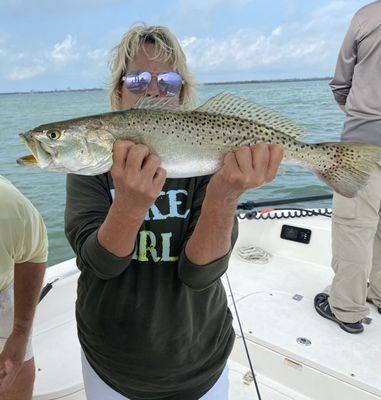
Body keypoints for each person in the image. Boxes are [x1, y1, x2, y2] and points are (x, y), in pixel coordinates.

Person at [65, 24, 283, 399]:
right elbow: (100, 266)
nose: (152, 89)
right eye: (136, 79)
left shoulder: (211, 162)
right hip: (110, 361)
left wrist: (225, 193)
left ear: (182, 93)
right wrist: (130, 207)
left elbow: (200, 274)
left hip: (199, 359)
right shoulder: (92, 164)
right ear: (118, 94)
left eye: (167, 80)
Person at [314, 1, 381, 334]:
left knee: (355, 225)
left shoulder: (366, 16)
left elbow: (341, 84)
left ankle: (346, 309)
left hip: (365, 140)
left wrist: (362, 115)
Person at [0, 175, 48, 399]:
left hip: (2, 289)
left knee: (15, 368)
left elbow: (33, 254)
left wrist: (20, 330)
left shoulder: (9, 207)